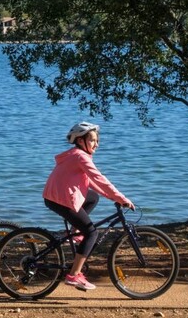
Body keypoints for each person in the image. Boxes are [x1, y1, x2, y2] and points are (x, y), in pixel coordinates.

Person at [43, 121, 136, 292]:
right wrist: (122, 198)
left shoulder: (75, 154)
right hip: (61, 198)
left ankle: (74, 233)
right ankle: (74, 275)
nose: (96, 144)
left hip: (57, 195)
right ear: (80, 140)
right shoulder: (80, 157)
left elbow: (93, 183)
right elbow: (99, 178)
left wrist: (113, 197)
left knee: (92, 197)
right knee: (92, 233)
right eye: (92, 140)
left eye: (96, 140)